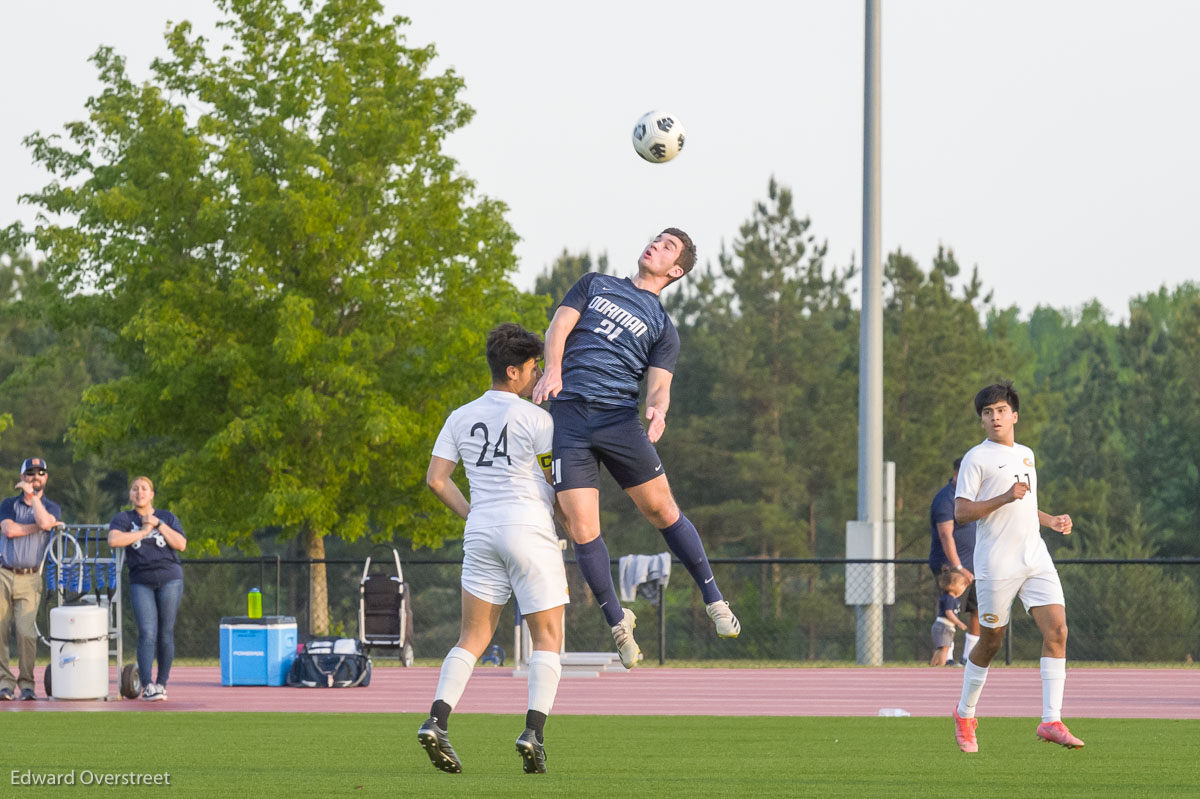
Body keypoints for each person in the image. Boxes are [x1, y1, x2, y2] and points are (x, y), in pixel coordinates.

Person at [531, 228, 739, 668]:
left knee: (662, 511)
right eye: (656, 239)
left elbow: (659, 387)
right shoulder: (595, 284)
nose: (655, 246)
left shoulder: (663, 327)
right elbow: (559, 326)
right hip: (569, 417)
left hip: (619, 421)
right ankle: (616, 622)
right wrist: (552, 370)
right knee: (581, 527)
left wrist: (659, 410)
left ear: (675, 270)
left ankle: (714, 598)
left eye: (668, 247)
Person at [419, 323, 568, 775]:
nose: (538, 373)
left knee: (473, 637)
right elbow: (552, 481)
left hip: (481, 529)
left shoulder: (460, 415)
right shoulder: (538, 419)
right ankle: (534, 733)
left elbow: (436, 479)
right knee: (548, 637)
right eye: (533, 367)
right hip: (528, 528)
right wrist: (574, 523)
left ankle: (437, 720)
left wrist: (472, 515)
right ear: (513, 371)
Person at [951, 381, 1084, 752]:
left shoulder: (1026, 454)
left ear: (1014, 416)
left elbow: (1024, 504)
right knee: (991, 641)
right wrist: (1005, 495)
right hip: (996, 562)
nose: (994, 417)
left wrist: (1050, 520)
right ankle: (965, 713)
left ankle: (1051, 720)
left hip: (1034, 556)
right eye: (987, 413)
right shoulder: (976, 459)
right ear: (982, 420)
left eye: (1000, 410)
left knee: (1057, 630)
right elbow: (962, 512)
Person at [107, 476, 187, 701]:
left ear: (152, 494)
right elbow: (113, 540)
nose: (139, 493)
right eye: (135, 489)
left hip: (170, 579)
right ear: (130, 494)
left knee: (165, 632)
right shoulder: (124, 518)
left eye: (144, 489)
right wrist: (143, 532)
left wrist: (158, 524)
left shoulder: (167, 517)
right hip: (141, 580)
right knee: (147, 632)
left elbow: (181, 544)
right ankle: (148, 685)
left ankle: (162, 684)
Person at [0, 457, 62, 700]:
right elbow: (10, 530)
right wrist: (38, 528)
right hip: (4, 572)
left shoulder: (51, 507)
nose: (35, 477)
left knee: (26, 633)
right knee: (1, 631)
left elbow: (47, 520)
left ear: (46, 478)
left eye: (40, 473)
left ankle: (26, 684)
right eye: (30, 473)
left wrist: (34, 498)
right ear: (22, 476)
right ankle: (5, 683)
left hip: (31, 576)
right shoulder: (7, 504)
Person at [929, 457, 980, 665]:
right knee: (950, 611)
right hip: (952, 568)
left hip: (975, 565)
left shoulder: (973, 496)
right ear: (957, 474)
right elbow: (945, 535)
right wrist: (958, 568)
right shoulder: (946, 498)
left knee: (977, 610)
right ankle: (947, 658)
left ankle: (970, 656)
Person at [930, 568, 969, 666]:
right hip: (944, 626)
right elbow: (949, 613)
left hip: (946, 627)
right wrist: (959, 623)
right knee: (944, 648)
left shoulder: (952, 598)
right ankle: (942, 666)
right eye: (961, 585)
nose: (963, 587)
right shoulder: (949, 599)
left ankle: (933, 665)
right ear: (952, 586)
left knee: (941, 648)